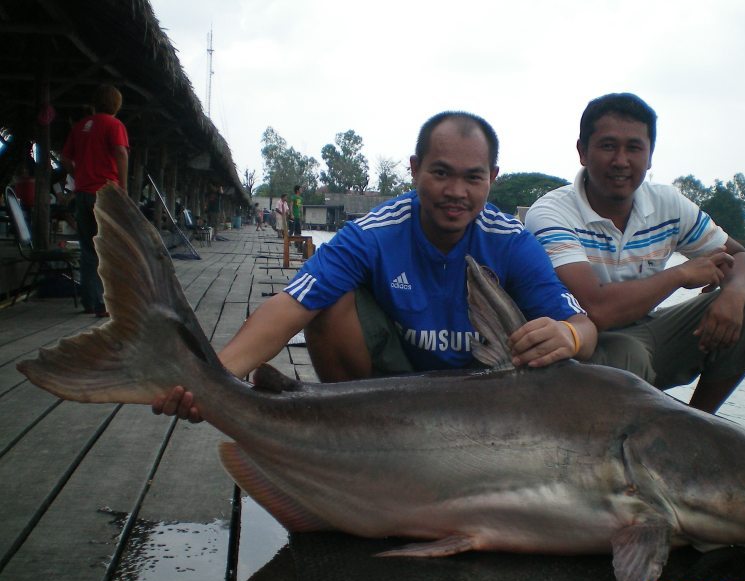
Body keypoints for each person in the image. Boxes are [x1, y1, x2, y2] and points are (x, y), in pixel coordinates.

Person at [154, 111, 597, 421]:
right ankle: (349, 424)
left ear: (492, 179)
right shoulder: (375, 231)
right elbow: (290, 306)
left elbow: (585, 327)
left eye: (473, 177)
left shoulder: (512, 240)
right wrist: (212, 376)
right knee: (327, 300)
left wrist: (569, 334)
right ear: (414, 169)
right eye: (441, 173)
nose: (456, 191)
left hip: (482, 398)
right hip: (389, 388)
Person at [525, 93, 745, 414]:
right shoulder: (553, 212)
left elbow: (739, 257)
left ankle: (699, 426)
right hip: (584, 342)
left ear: (649, 157)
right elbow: (596, 309)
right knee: (629, 351)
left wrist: (735, 293)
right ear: (582, 152)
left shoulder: (667, 204)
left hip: (648, 329)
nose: (621, 160)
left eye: (634, 148)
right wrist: (680, 274)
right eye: (607, 146)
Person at [61, 84, 129, 317]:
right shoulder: (114, 125)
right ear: (116, 105)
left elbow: (65, 159)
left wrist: (78, 173)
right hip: (106, 194)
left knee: (88, 248)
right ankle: (104, 304)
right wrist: (123, 186)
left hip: (83, 194)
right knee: (108, 248)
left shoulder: (80, 127)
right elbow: (121, 152)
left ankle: (89, 301)